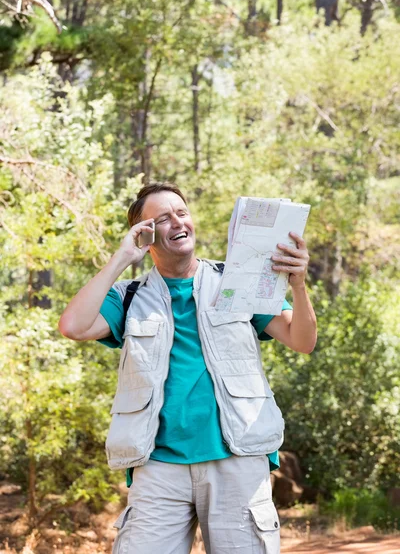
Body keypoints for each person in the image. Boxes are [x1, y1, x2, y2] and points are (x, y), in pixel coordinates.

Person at [59, 182, 317, 554]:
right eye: (162, 218)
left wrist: (299, 286)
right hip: (158, 468)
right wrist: (120, 259)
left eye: (181, 212)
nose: (177, 221)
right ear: (145, 235)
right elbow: (73, 326)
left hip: (237, 462)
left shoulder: (237, 283)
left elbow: (302, 340)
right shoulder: (128, 297)